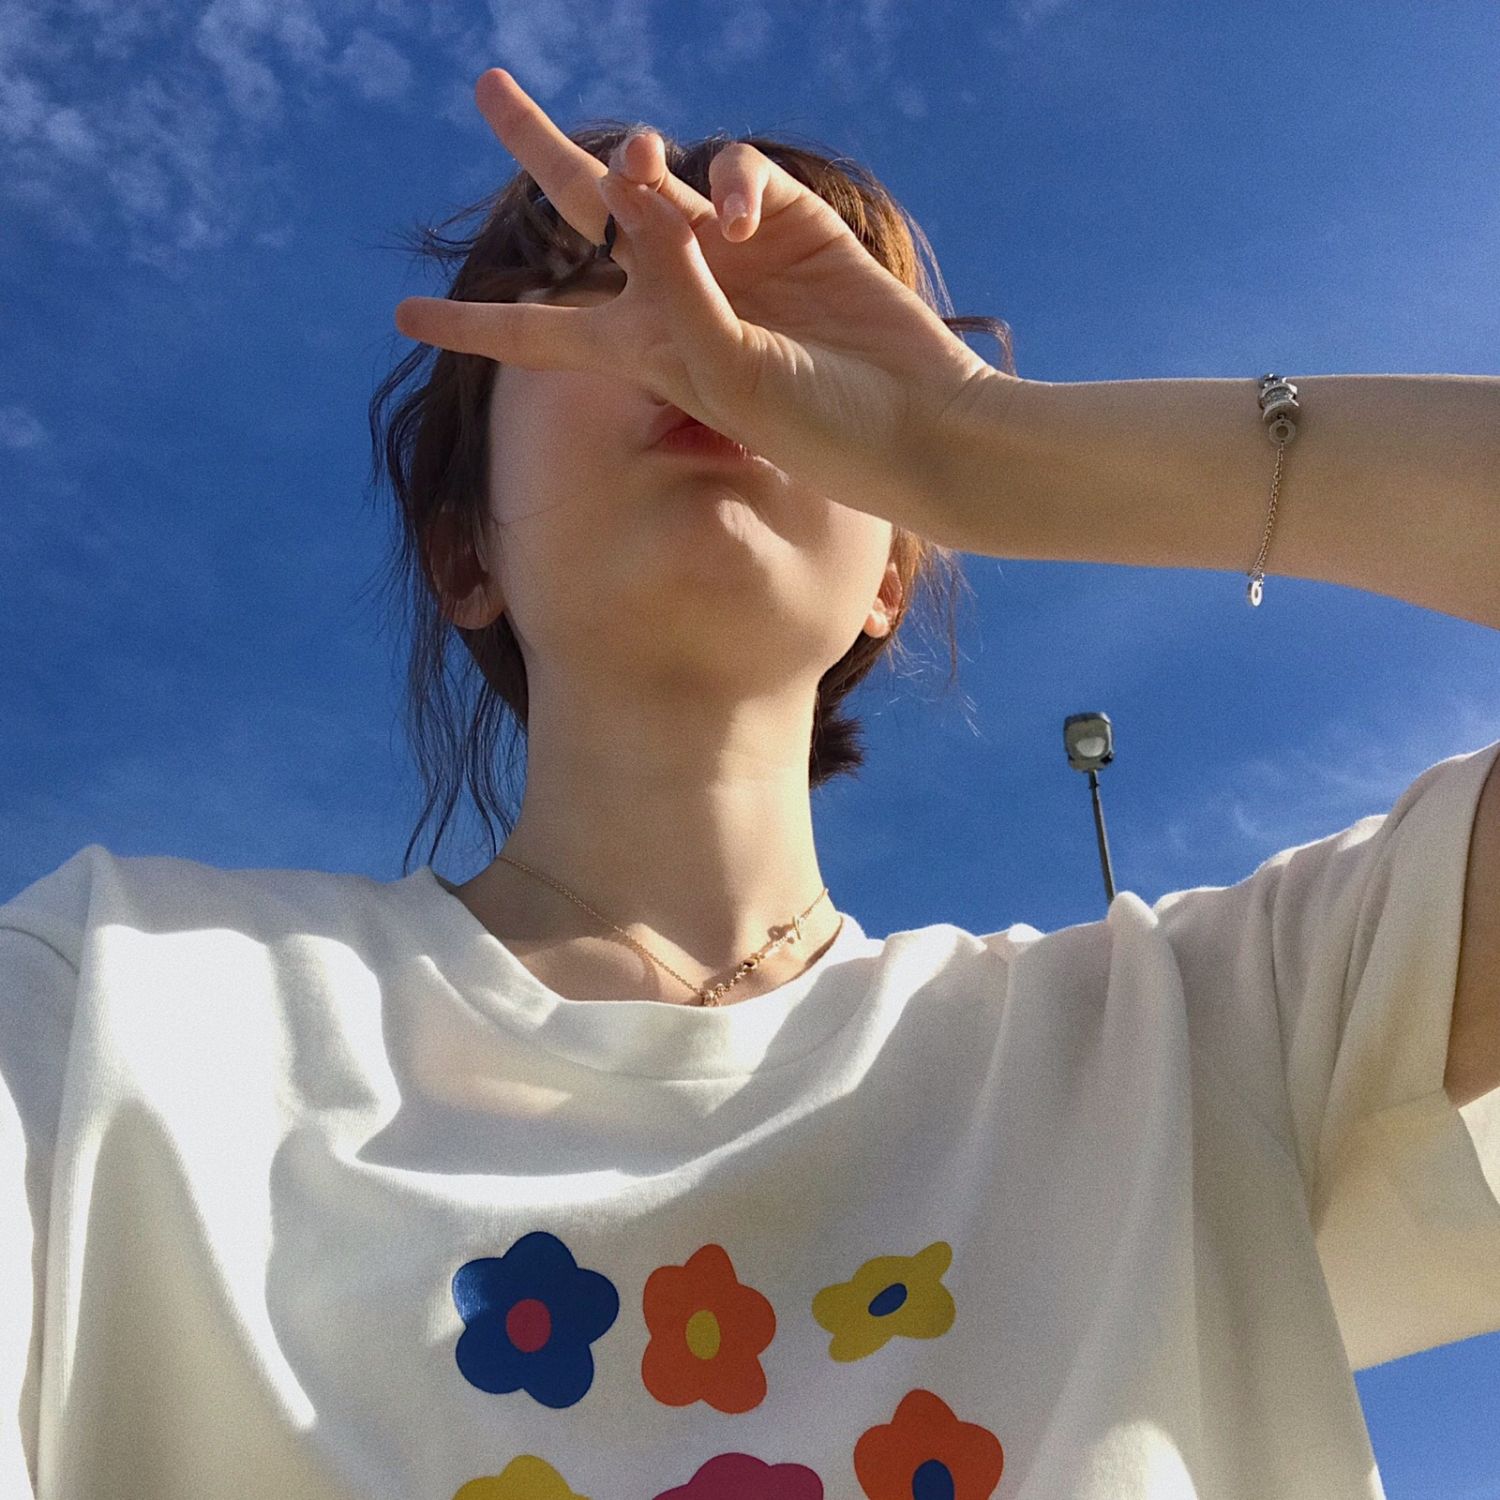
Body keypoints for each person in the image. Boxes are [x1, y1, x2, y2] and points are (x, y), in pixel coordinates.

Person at [3, 65, 1499, 1500]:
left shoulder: (1212, 1041)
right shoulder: (114, 1014)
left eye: (779, 313)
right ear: (465, 553)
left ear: (891, 578)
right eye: (600, 287)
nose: (696, 322)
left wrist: (984, 441)